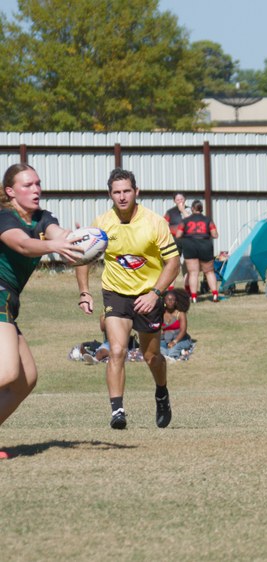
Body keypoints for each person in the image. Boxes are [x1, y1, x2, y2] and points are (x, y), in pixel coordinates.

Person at [76, 168, 180, 430]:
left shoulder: (155, 222)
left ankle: (161, 393)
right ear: (110, 194)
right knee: (118, 350)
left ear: (136, 192)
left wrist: (154, 294)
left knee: (152, 357)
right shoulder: (102, 223)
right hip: (116, 292)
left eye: (126, 191)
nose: (122, 197)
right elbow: (82, 258)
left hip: (148, 295)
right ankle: (117, 411)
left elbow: (173, 263)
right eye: (116, 192)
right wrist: (85, 291)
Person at [0, 163, 82, 459]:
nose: (36, 189)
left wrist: (78, 240)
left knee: (25, 379)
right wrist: (55, 245)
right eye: (27, 185)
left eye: (38, 183)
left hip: (8, 301)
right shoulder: (4, 218)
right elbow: (21, 245)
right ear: (10, 192)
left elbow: (58, 233)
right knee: (7, 372)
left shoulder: (43, 218)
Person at [176, 200, 219, 303]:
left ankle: (194, 297)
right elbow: (215, 235)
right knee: (209, 272)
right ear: (201, 208)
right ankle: (215, 295)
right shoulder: (208, 220)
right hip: (205, 246)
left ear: (192, 209)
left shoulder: (185, 221)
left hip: (190, 246)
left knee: (193, 273)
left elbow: (178, 235)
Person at [164, 193, 191, 290]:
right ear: (174, 201)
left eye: (181, 199)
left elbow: (192, 222)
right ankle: (170, 289)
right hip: (174, 240)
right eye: (177, 199)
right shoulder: (170, 212)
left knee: (187, 264)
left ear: (185, 199)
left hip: (188, 240)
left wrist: (183, 210)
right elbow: (164, 225)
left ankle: (187, 288)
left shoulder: (190, 210)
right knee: (173, 264)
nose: (180, 201)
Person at [161, 289, 192, 359]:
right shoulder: (160, 313)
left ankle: (175, 352)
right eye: (168, 300)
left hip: (180, 339)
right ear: (164, 301)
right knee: (157, 349)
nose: (170, 302)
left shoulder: (180, 314)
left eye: (173, 300)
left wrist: (174, 342)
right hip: (165, 339)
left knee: (172, 352)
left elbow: (183, 331)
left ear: (176, 302)